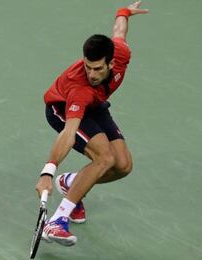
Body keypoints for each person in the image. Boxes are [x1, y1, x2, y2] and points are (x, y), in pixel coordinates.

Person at [35, 1, 149, 246]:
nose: (92, 73)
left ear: (111, 62)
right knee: (104, 158)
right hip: (63, 109)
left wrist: (124, 12)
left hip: (96, 106)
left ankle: (70, 182)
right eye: (87, 67)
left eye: (97, 68)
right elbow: (69, 133)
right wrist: (48, 170)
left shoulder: (121, 53)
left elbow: (119, 32)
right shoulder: (80, 87)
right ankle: (57, 221)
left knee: (123, 165)